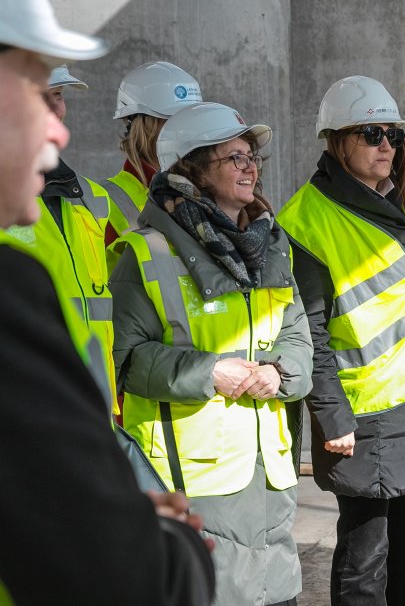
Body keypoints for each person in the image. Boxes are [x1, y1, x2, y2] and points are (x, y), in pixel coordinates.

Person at [0, 0, 214, 604]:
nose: (60, 126)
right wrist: (171, 545)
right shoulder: (21, 281)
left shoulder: (86, 202)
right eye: (37, 89)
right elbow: (129, 578)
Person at [110, 101, 313, 606]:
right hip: (193, 476)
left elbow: (299, 338)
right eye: (235, 157)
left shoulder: (270, 246)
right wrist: (210, 371)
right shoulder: (146, 254)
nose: (252, 167)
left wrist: (281, 371)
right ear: (193, 169)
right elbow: (129, 360)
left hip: (268, 473)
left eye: (253, 157)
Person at [276, 75, 405, 606]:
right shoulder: (306, 221)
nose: (388, 146)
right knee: (364, 557)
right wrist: (332, 415)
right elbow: (309, 329)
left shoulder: (396, 205)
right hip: (361, 415)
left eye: (395, 136)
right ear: (336, 141)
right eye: (373, 134)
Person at [5, 64, 119, 414]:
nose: (56, 110)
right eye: (43, 97)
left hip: (93, 406)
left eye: (58, 96)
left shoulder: (92, 197)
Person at [101, 60, 203, 245]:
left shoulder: (206, 188)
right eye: (172, 120)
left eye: (190, 119)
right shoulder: (104, 202)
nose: (185, 129)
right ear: (142, 125)